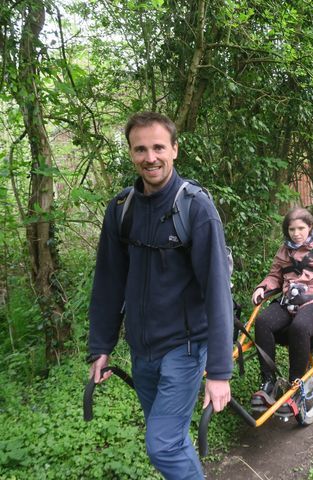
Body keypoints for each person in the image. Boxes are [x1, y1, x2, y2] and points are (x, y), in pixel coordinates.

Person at [87, 112, 233, 480]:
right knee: (171, 438)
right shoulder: (121, 209)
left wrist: (218, 371)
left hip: (183, 349)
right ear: (131, 153)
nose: (150, 157)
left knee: (162, 445)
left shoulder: (196, 208)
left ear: (175, 150)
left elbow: (217, 292)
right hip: (141, 349)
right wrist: (100, 346)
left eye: (158, 147)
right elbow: (108, 282)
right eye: (141, 149)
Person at [250, 207, 313, 412]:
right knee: (263, 322)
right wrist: (263, 287)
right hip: (288, 301)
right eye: (292, 229)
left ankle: (295, 386)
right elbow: (275, 275)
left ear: (310, 227)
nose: (296, 233)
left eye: (301, 228)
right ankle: (268, 382)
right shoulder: (284, 251)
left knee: (299, 327)